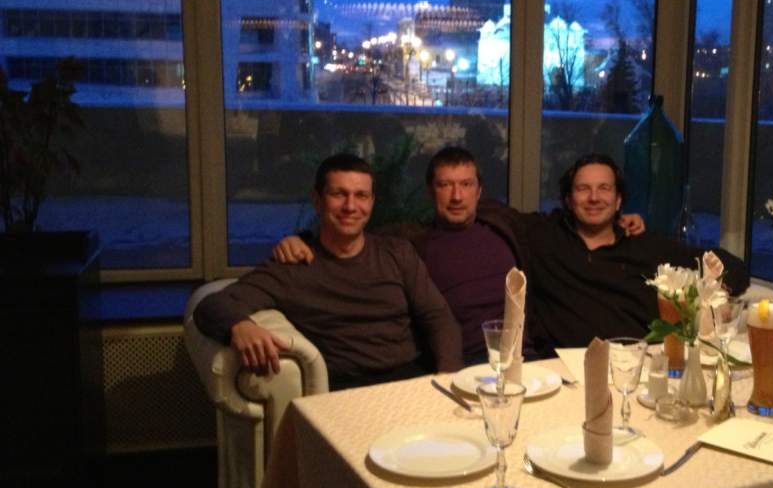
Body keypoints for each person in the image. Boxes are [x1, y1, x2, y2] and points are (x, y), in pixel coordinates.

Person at [273, 146, 646, 364]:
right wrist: (301, 239)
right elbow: (350, 235)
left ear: (479, 190)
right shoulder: (409, 242)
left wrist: (621, 219)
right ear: (431, 191)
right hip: (461, 364)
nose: (456, 196)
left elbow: (569, 218)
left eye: (466, 185)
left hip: (528, 359)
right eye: (445, 185)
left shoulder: (504, 223)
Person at [193, 153, 462, 390]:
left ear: (371, 202)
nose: (350, 206)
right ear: (318, 200)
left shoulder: (397, 253)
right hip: (343, 391)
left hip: (410, 380)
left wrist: (448, 378)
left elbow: (438, 317)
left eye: (361, 196)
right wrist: (239, 326)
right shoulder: (293, 267)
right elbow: (210, 305)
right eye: (338, 194)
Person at [525, 153, 749, 350]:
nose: (594, 197)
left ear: (618, 200)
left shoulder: (644, 245)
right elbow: (503, 216)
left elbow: (733, 267)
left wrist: (717, 291)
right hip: (565, 369)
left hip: (643, 363)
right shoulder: (544, 236)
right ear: (568, 200)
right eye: (583, 189)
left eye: (604, 188)